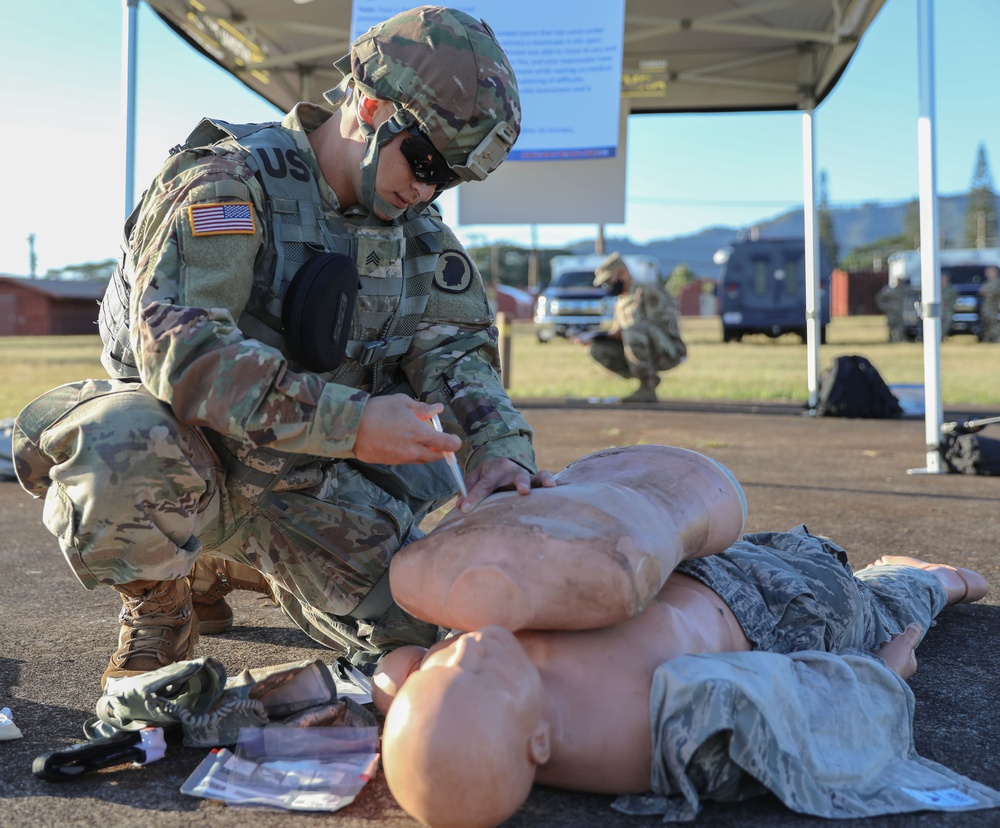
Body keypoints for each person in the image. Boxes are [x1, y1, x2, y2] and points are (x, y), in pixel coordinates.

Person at [11, 6, 555, 689]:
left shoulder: (416, 231)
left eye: (448, 177)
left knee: (429, 629)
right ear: (372, 102)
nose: (425, 188)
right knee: (125, 443)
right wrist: (354, 424)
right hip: (192, 454)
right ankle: (162, 595)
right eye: (422, 160)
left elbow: (455, 355)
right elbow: (185, 354)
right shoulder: (228, 185)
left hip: (305, 480)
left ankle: (235, 558)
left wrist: (499, 454)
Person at [372, 445, 990, 828]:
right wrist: (884, 670)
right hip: (784, 615)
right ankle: (933, 579)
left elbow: (399, 678)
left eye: (440, 672)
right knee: (880, 600)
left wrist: (400, 686)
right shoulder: (645, 733)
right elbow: (803, 715)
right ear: (538, 742)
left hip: (682, 571)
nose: (467, 652)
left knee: (741, 545)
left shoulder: (456, 704)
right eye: (478, 676)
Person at [571, 252, 686, 403]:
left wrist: (625, 332)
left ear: (622, 273)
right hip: (640, 343)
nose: (607, 285)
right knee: (598, 348)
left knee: (632, 331)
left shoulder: (647, 290)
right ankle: (646, 379)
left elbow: (661, 324)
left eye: (608, 279)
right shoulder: (621, 301)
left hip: (669, 350)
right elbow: (619, 331)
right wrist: (595, 337)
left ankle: (648, 387)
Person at [874, 273, 909, 343]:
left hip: (899, 312)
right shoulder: (889, 291)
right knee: (891, 326)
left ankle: (900, 340)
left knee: (900, 327)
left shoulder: (904, 290)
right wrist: (885, 306)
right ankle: (890, 340)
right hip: (891, 312)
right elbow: (879, 299)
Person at [980, 265, 1000, 343]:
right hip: (986, 307)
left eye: (989, 272)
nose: (986, 273)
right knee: (987, 324)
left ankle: (996, 339)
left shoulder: (997, 282)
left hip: (993, 308)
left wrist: (987, 291)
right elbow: (982, 291)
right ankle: (987, 340)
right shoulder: (987, 282)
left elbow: (993, 292)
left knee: (994, 324)